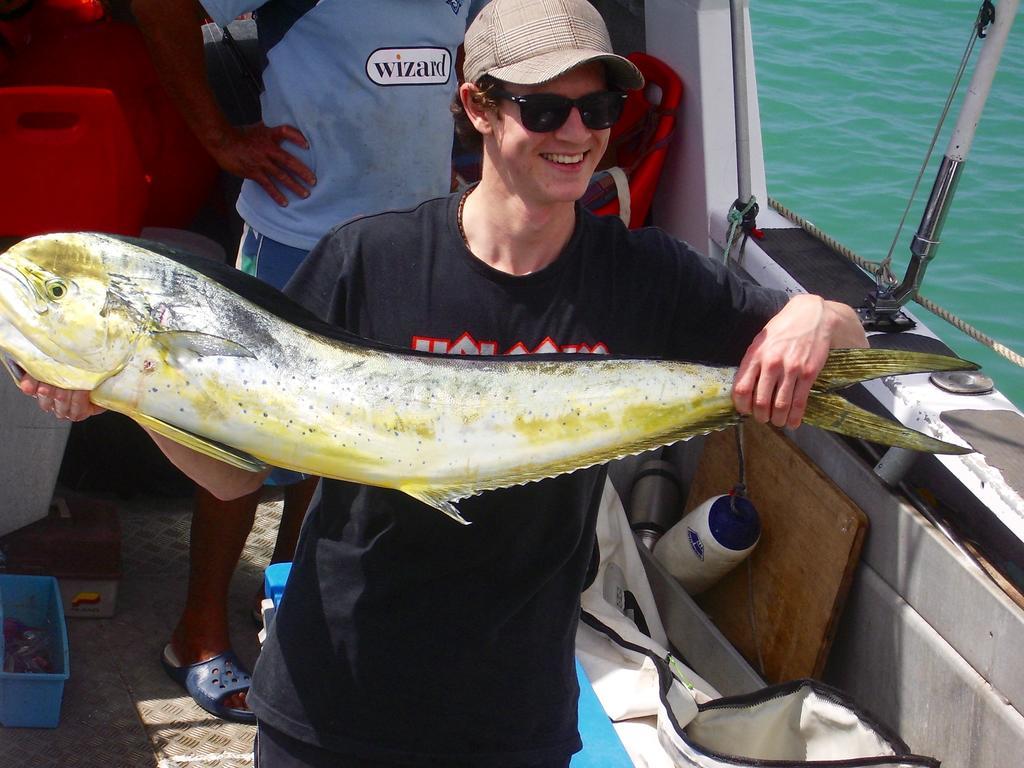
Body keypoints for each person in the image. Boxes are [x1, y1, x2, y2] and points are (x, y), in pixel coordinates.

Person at [23, 0, 868, 762]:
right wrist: (130, 396)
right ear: (476, 107)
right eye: (543, 109)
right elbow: (240, 470)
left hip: (513, 713)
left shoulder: (647, 275)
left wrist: (817, 316)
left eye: (598, 109)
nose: (575, 134)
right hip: (331, 698)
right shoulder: (369, 258)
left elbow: (847, 339)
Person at [121, 0, 490, 723]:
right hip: (297, 239)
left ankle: (286, 610)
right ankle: (194, 635)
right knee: (239, 444)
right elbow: (159, 7)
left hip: (406, 244)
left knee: (334, 441)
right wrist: (217, 138)